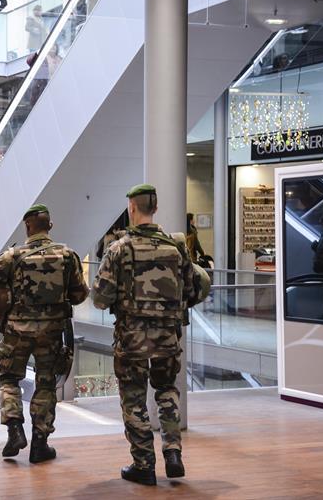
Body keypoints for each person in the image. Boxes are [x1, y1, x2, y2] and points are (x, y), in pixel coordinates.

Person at [91, 184, 194, 486]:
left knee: (133, 398)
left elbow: (99, 298)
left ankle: (144, 465)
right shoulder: (177, 246)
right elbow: (190, 288)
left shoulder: (119, 249)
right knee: (166, 391)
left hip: (131, 337)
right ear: (156, 208)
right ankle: (173, 452)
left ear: (132, 208)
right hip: (168, 336)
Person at [0, 204, 88, 463]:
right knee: (46, 384)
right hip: (52, 332)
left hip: (16, 331)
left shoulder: (12, 256)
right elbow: (80, 294)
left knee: (8, 378)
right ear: (49, 225)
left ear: (27, 227)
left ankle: (14, 428)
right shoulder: (67, 255)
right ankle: (40, 444)